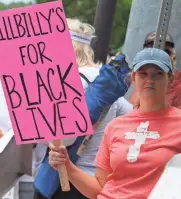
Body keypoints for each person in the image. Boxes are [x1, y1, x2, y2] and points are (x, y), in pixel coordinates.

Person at [48, 47, 181, 199]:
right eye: (143, 74)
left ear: (170, 79)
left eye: (158, 74)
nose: (149, 80)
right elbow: (99, 187)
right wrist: (66, 165)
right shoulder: (116, 126)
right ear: (133, 78)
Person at [33, 19, 133, 199]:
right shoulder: (106, 79)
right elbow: (129, 114)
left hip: (64, 183)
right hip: (94, 183)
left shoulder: (70, 82)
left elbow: (64, 138)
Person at [130, 31, 181, 108]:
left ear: (174, 58)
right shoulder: (139, 86)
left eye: (166, 52)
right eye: (150, 51)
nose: (159, 57)